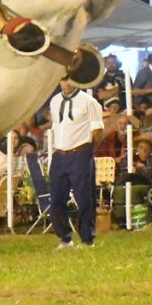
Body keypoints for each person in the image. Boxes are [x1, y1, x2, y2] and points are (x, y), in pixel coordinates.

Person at [48, 77, 103, 249]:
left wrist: (87, 150)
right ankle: (65, 238)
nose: (67, 83)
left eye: (71, 79)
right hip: (59, 153)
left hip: (79, 152)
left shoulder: (88, 101)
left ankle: (87, 238)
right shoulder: (55, 101)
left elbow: (98, 130)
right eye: (64, 79)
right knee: (57, 198)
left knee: (84, 197)